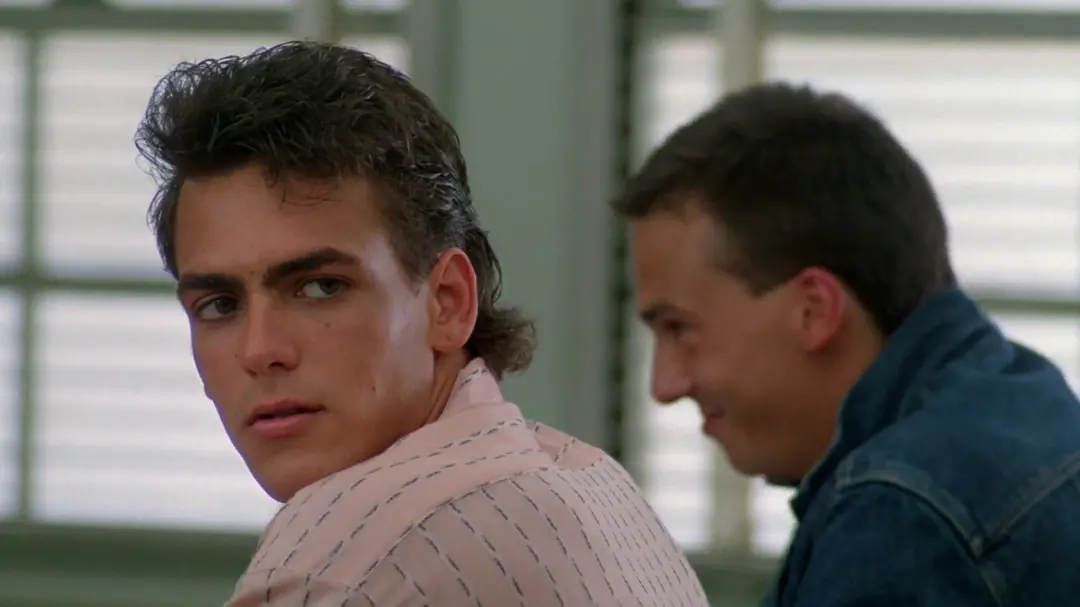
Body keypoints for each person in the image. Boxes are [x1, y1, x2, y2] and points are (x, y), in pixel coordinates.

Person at [135, 40, 707, 607]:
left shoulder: (336, 568)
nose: (260, 350)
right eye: (219, 305)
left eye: (321, 287)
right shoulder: (597, 484)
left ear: (448, 302)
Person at [613, 80, 1080, 606]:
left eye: (678, 328)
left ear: (814, 310)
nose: (664, 386)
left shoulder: (902, 519)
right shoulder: (1022, 399)